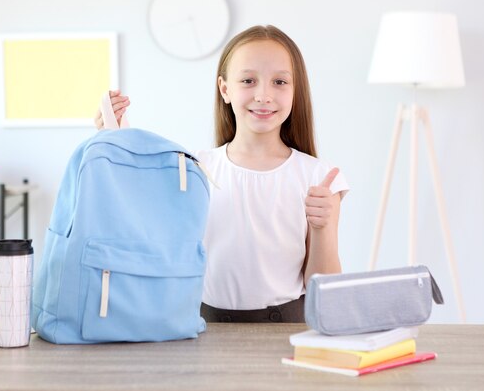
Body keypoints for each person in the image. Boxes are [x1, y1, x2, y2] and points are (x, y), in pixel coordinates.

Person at [95, 25, 348, 322]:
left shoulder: (318, 176)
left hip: (287, 329)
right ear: (225, 89)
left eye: (279, 82)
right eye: (248, 80)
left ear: (296, 91)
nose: (264, 95)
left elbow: (325, 289)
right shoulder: (195, 167)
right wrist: (116, 138)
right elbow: (144, 224)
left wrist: (322, 227)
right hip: (204, 326)